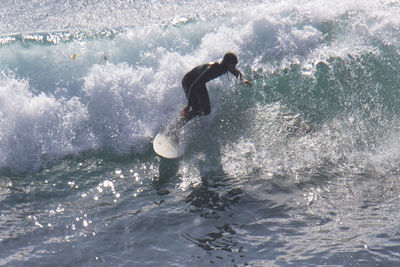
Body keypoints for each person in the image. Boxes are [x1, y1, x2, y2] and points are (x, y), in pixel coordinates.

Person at [180, 52, 252, 124]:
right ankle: (175, 128)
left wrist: (243, 80)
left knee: (206, 110)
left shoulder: (226, 67)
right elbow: (193, 86)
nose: (234, 67)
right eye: (233, 64)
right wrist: (188, 105)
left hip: (199, 83)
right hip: (189, 80)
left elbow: (236, 72)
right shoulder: (213, 68)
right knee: (197, 108)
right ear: (228, 63)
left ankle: (187, 119)